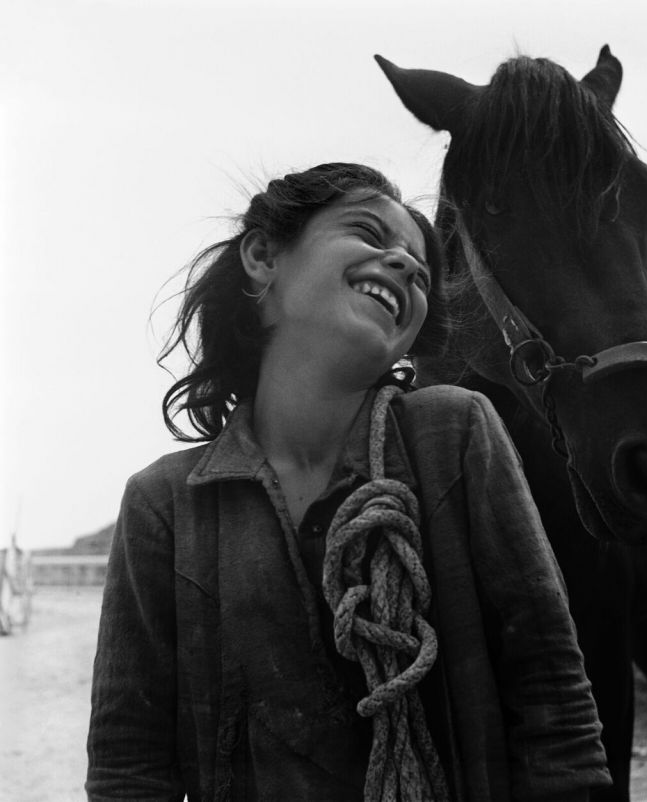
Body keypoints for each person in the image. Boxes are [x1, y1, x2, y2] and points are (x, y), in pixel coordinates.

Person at [86, 162, 611, 801]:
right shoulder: (163, 502)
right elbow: (128, 763)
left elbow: (553, 698)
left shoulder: (456, 433)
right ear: (262, 256)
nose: (408, 267)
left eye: (420, 266)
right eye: (368, 231)